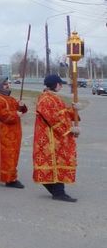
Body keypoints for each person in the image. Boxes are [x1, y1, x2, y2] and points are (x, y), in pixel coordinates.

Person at [32, 74, 81, 202]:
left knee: (58, 163)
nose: (61, 86)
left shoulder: (54, 98)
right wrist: (70, 129)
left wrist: (74, 110)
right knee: (55, 163)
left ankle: (57, 191)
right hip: (50, 139)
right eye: (59, 83)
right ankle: (58, 192)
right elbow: (53, 120)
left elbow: (62, 113)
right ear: (55, 84)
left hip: (57, 138)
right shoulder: (45, 99)